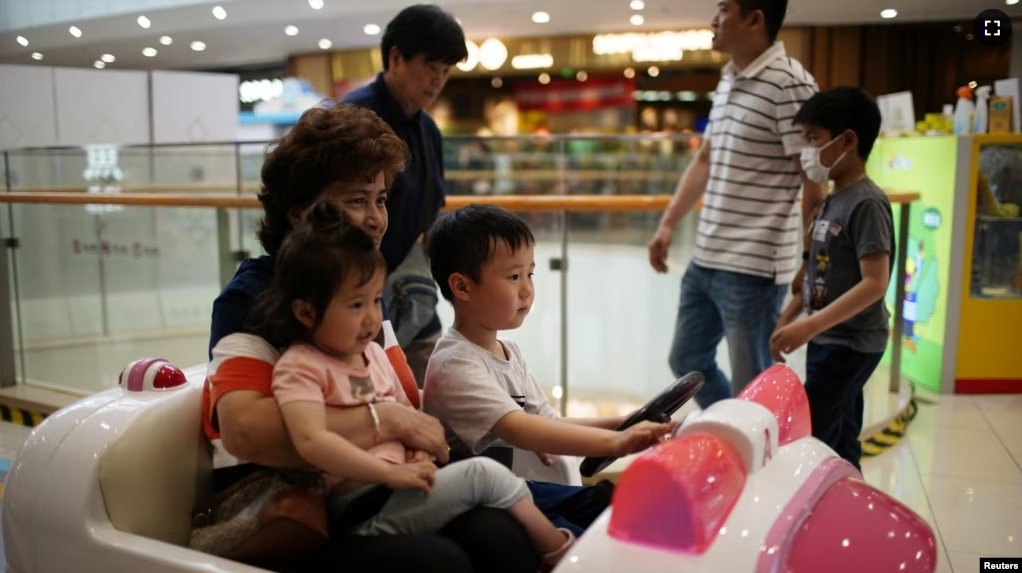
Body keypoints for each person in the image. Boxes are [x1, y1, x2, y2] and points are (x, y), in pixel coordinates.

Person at [204, 102, 541, 573]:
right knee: (441, 561)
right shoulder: (250, 299)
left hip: (381, 485)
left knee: (497, 528)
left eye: (381, 199)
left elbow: (402, 398)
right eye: (357, 200)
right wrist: (390, 424)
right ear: (301, 212)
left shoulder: (359, 288)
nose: (377, 218)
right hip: (299, 504)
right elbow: (247, 431)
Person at [246, 203, 576, 570]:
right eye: (356, 304)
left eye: (375, 300)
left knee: (498, 519)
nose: (373, 317)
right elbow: (311, 441)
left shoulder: (373, 355)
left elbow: (409, 422)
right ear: (306, 312)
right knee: (485, 475)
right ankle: (560, 552)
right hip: (360, 501)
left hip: (400, 488)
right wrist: (390, 472)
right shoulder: (301, 367)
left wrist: (417, 456)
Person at [423, 204, 675, 536]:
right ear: (463, 287)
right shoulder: (455, 363)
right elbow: (521, 428)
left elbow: (548, 424)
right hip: (497, 508)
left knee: (625, 509)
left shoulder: (508, 352)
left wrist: (624, 424)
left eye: (530, 274)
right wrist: (617, 443)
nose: (527, 289)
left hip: (538, 492)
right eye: (513, 277)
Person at [647, 0, 828, 409]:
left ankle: (754, 455)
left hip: (753, 268)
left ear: (754, 19)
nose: (713, 20)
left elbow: (813, 179)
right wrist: (668, 223)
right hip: (707, 256)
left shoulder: (791, 84)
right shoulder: (729, 77)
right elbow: (706, 159)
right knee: (686, 359)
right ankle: (738, 430)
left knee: (753, 381)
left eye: (724, 9)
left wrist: (809, 256)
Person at [342, 4, 467, 387]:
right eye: (431, 66)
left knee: (440, 389)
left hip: (409, 293)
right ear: (395, 57)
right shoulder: (352, 119)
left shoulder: (428, 129)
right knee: (372, 396)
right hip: (351, 291)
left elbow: (432, 213)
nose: (437, 80)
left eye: (446, 71)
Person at [769, 86, 892, 472]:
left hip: (851, 342)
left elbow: (875, 282)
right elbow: (823, 270)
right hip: (830, 337)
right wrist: (793, 312)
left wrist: (809, 326)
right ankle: (852, 502)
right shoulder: (833, 198)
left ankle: (817, 510)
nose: (808, 151)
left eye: (814, 140)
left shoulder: (867, 202)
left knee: (813, 435)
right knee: (839, 434)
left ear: (848, 140)